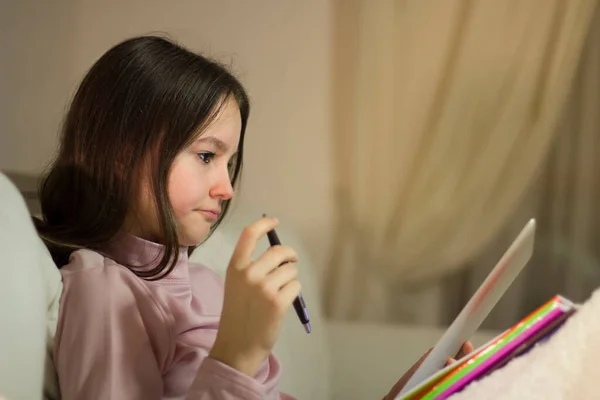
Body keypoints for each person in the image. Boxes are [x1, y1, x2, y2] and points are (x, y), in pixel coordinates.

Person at [34, 35, 471, 399]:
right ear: (121, 155)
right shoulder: (105, 291)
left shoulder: (205, 283)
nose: (226, 188)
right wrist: (235, 357)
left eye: (229, 163)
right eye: (206, 155)